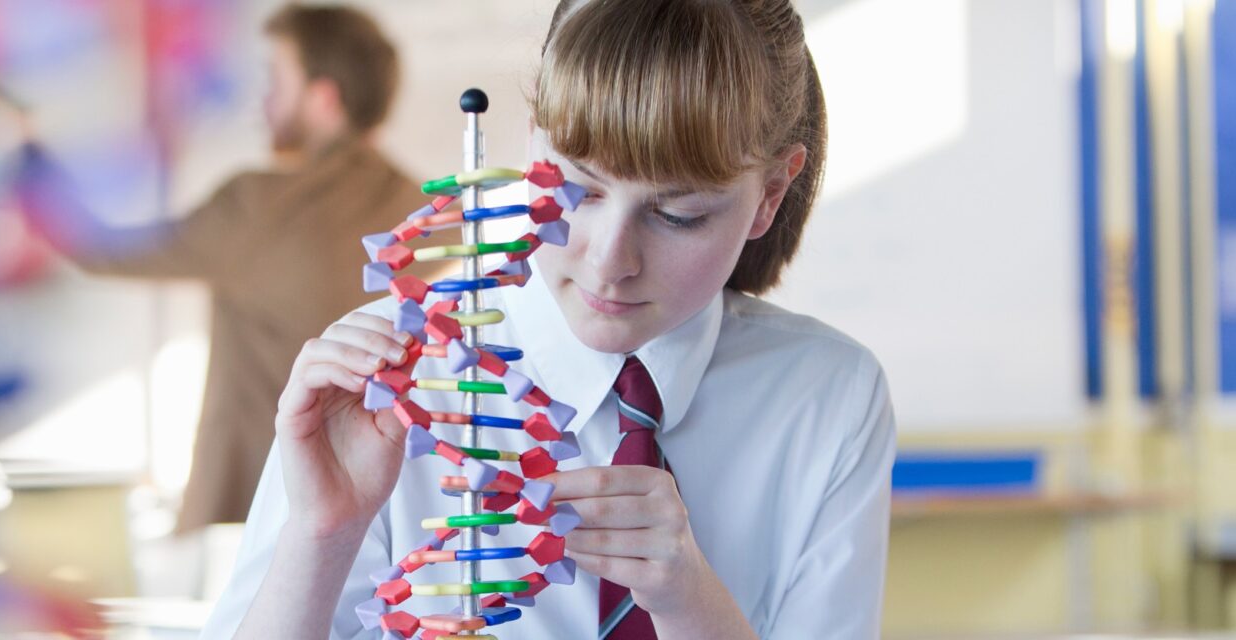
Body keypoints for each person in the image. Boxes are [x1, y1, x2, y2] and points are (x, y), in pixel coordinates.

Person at [201, 0, 896, 638]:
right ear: (534, 139)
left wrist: (690, 600)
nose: (608, 260)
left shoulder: (828, 397)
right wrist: (323, 530)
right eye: (577, 187)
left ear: (772, 193)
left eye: (677, 215)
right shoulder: (389, 373)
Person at [13, 5, 429, 533]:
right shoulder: (427, 213)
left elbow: (100, 247)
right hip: (386, 511)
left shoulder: (259, 206)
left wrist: (27, 160)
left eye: (276, 80)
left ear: (324, 98)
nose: (264, 101)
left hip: (254, 511)